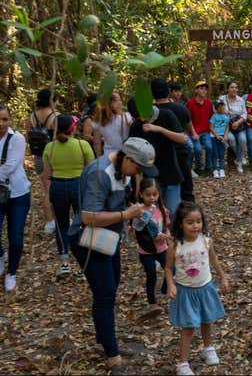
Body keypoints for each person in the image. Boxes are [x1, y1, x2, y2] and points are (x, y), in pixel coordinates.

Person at [68, 138, 155, 373]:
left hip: (109, 239)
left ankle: (102, 338)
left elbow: (120, 203)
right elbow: (88, 216)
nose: (138, 174)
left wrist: (133, 213)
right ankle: (112, 353)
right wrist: (126, 214)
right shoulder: (100, 173)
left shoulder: (124, 172)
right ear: (127, 158)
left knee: (111, 286)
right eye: (138, 168)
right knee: (105, 293)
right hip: (88, 240)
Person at [165, 201, 229, 376]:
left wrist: (223, 276)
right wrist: (170, 284)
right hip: (185, 291)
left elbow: (214, 260)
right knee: (188, 327)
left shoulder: (206, 241)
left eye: (198, 221)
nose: (195, 226)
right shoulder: (175, 246)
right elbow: (168, 268)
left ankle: (208, 348)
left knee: (207, 321)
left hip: (205, 287)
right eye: (190, 222)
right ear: (180, 223)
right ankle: (183, 364)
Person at [42, 114, 95, 276]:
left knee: (61, 223)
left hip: (58, 186)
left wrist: (49, 191)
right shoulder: (82, 145)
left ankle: (64, 261)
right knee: (84, 220)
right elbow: (91, 170)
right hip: (78, 185)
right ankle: (86, 261)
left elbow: (47, 174)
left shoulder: (49, 147)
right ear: (72, 129)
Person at [128, 99, 187, 215]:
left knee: (172, 212)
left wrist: (159, 129)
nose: (142, 120)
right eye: (138, 118)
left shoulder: (166, 115)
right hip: (149, 180)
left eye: (142, 116)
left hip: (170, 174)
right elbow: (135, 158)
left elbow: (182, 139)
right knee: (153, 215)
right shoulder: (136, 126)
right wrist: (137, 188)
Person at [0, 104, 32, 292]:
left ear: (10, 120)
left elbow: (10, 166)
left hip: (17, 194)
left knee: (16, 237)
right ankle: (1, 255)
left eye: (5, 119)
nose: (1, 123)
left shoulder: (17, 139)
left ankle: (12, 272)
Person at [153, 78, 196, 202]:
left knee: (159, 192)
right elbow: (189, 129)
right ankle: (188, 216)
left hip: (157, 157)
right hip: (179, 154)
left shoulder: (149, 112)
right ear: (168, 91)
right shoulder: (181, 109)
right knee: (186, 191)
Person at [133, 177, 170, 313]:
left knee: (170, 267)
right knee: (151, 274)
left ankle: (165, 288)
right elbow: (136, 229)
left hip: (162, 247)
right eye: (148, 195)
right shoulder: (139, 211)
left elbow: (166, 225)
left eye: (155, 194)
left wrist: (166, 235)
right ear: (141, 194)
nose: (152, 198)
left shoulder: (161, 209)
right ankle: (152, 301)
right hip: (146, 249)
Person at [26, 88, 59, 235]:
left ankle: (50, 222)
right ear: (52, 101)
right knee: (57, 190)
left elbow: (28, 138)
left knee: (46, 190)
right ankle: (58, 220)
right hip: (54, 156)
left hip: (39, 157)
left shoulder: (32, 117)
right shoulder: (56, 116)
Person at [218, 82, 248, 173]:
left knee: (242, 140)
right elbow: (215, 110)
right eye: (232, 87)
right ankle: (240, 158)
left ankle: (238, 161)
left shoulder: (240, 100)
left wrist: (238, 122)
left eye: (236, 87)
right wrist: (223, 111)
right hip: (226, 126)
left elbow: (245, 113)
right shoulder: (222, 99)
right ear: (228, 89)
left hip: (239, 125)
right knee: (231, 139)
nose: (234, 89)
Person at [92, 90, 133, 157]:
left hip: (108, 156)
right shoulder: (127, 117)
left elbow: (96, 142)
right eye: (119, 100)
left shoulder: (99, 120)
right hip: (124, 156)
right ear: (112, 103)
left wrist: (99, 158)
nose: (121, 102)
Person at [186, 80, 214, 175]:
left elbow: (212, 118)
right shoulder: (190, 103)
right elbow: (188, 120)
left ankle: (208, 168)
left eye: (205, 89)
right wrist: (193, 133)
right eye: (201, 88)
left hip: (205, 132)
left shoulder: (208, 103)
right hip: (194, 132)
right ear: (196, 90)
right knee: (197, 150)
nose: (204, 91)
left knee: (209, 147)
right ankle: (198, 168)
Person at [209, 101, 230, 178]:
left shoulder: (226, 117)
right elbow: (211, 127)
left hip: (222, 137)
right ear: (216, 108)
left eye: (223, 106)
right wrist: (216, 135)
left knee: (221, 154)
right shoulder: (214, 116)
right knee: (215, 154)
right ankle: (215, 170)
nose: (221, 108)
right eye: (219, 106)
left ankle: (221, 169)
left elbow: (227, 127)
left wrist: (226, 135)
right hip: (214, 137)